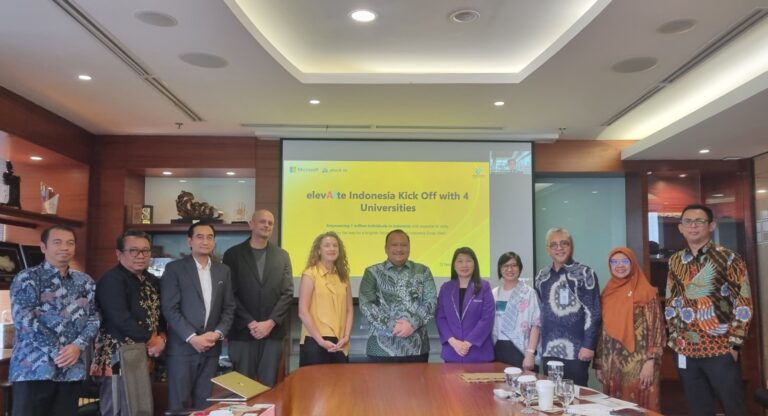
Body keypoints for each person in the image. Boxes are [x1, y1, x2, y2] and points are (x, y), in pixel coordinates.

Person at [665, 204, 753, 416]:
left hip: (720, 349)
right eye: (688, 221)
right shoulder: (675, 260)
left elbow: (743, 301)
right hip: (686, 349)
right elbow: (672, 301)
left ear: (711, 225)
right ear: (681, 228)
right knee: (699, 409)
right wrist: (675, 338)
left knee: (734, 408)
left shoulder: (729, 257)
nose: (693, 226)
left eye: (699, 221)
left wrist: (735, 344)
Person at [9, 224, 101, 416]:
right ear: (43, 247)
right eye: (57, 242)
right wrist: (58, 352)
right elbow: (24, 321)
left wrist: (78, 346)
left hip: (71, 370)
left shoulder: (85, 281)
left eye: (70, 243)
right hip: (33, 369)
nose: (64, 247)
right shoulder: (27, 278)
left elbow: (94, 317)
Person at [91, 229, 167, 416]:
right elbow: (120, 319)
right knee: (117, 409)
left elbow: (161, 316)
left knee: (141, 409)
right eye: (134, 251)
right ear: (119, 254)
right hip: (117, 357)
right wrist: (153, 340)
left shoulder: (152, 281)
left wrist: (162, 339)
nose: (140, 256)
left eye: (145, 251)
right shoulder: (111, 280)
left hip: (145, 356)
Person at [161, 222, 236, 411]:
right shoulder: (174, 269)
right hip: (182, 349)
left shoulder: (223, 271)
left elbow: (229, 307)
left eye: (210, 237)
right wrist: (192, 337)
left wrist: (218, 333)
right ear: (189, 241)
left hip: (211, 348)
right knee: (179, 406)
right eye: (200, 237)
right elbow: (170, 308)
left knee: (205, 405)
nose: (205, 241)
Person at [222, 209, 293, 386]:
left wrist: (270, 323)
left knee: (269, 388)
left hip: (272, 333)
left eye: (270, 223)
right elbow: (230, 292)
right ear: (251, 224)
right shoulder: (233, 254)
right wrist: (250, 322)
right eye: (262, 221)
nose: (267, 225)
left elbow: (287, 293)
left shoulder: (282, 256)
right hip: (243, 332)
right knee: (243, 388)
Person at [594, 247, 664, 412]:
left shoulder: (647, 292)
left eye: (625, 261)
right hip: (612, 364)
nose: (620, 266)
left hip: (640, 364)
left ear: (632, 264)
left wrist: (650, 360)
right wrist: (599, 364)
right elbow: (602, 330)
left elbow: (657, 328)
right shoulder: (607, 293)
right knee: (616, 408)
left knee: (641, 408)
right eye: (615, 262)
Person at [534, 228, 600, 386]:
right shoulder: (541, 276)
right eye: (554, 245)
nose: (559, 248)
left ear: (571, 247)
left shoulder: (585, 273)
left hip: (577, 350)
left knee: (576, 397)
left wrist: (588, 345)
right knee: (552, 396)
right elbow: (539, 314)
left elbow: (594, 311)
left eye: (564, 243)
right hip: (549, 349)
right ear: (548, 250)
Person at [359, 229, 437, 362]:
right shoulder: (372, 272)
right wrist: (392, 325)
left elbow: (431, 302)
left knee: (417, 384)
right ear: (386, 248)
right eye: (394, 245)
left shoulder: (423, 271)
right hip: (380, 349)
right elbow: (366, 304)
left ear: (409, 248)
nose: (399, 249)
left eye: (404, 245)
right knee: (380, 384)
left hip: (417, 349)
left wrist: (412, 324)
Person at [297, 231, 353, 366]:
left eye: (335, 245)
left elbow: (349, 310)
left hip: (340, 342)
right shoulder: (310, 274)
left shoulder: (343, 277)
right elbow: (303, 312)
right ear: (319, 250)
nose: (332, 248)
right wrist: (321, 341)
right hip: (314, 341)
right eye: (327, 245)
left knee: (340, 386)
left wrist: (346, 336)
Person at [436, 247, 495, 363]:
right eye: (460, 261)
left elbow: (487, 318)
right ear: (454, 265)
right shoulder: (446, 288)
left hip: (478, 353)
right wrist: (454, 342)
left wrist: (467, 343)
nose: (464, 265)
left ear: (475, 264)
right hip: (452, 352)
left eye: (468, 260)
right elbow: (440, 318)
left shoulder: (484, 287)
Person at [492, 252, 541, 371]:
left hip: (520, 350)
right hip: (497, 347)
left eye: (514, 265)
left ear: (520, 268)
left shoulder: (528, 293)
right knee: (499, 387)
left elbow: (536, 325)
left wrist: (530, 354)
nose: (510, 269)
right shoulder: (493, 293)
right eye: (505, 266)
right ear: (500, 269)